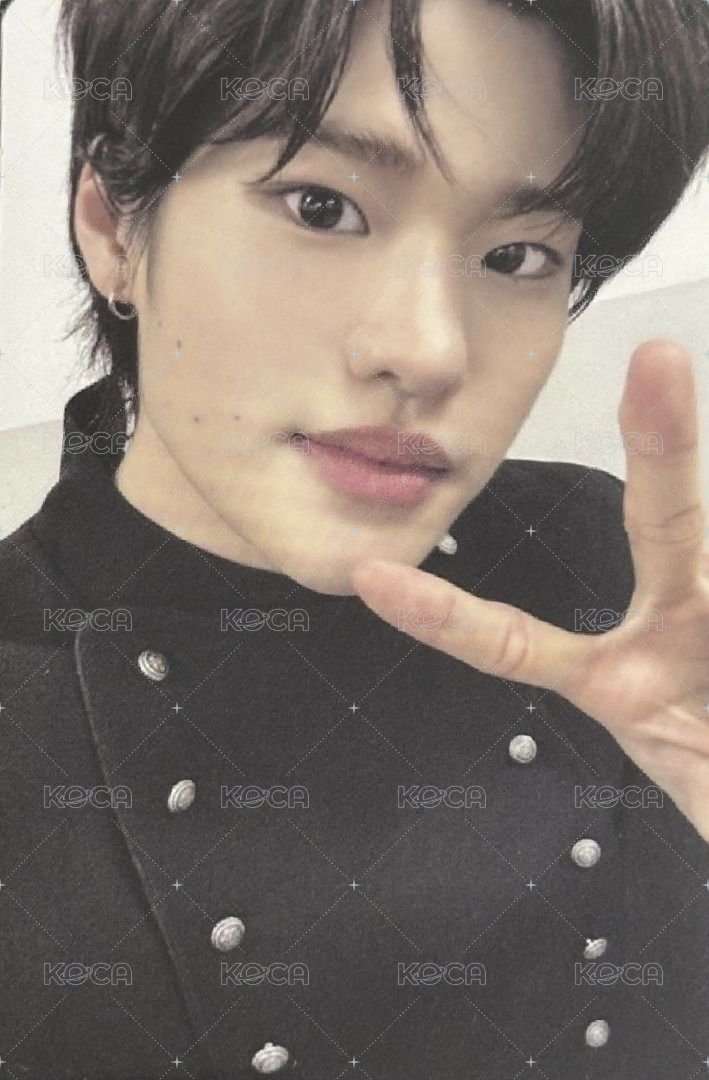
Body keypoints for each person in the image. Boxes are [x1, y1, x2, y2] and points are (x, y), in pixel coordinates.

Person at [1, 0, 708, 1076]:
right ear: (113, 227)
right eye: (322, 206)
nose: (427, 351)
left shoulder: (603, 563)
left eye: (517, 254)